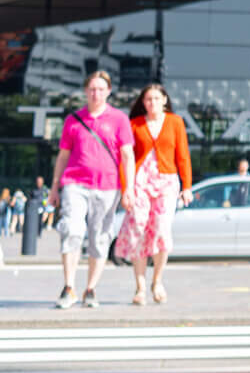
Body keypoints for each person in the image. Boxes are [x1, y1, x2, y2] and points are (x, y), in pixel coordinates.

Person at [47, 70, 134, 310]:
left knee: (99, 237)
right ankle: (69, 287)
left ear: (109, 92)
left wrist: (130, 189)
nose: (96, 93)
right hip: (75, 183)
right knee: (72, 230)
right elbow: (63, 155)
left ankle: (91, 288)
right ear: (86, 91)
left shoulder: (119, 119)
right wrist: (55, 187)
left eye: (101, 89)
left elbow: (128, 156)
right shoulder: (73, 120)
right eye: (92, 89)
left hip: (108, 186)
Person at [120, 83, 191, 305]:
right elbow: (125, 159)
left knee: (161, 229)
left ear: (165, 101)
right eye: (148, 99)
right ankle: (140, 286)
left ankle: (157, 280)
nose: (152, 103)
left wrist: (187, 186)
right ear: (143, 102)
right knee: (138, 229)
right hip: (139, 181)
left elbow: (183, 156)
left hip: (166, 182)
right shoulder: (134, 124)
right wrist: (126, 189)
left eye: (157, 99)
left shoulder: (175, 122)